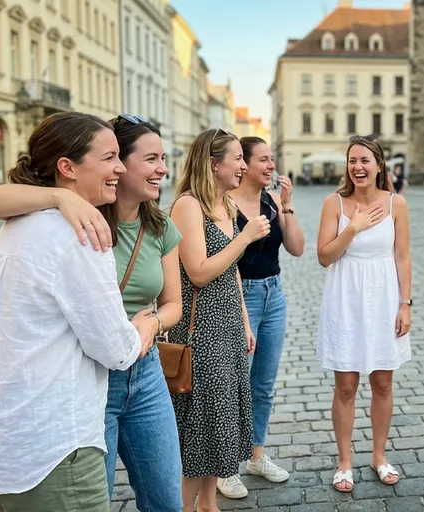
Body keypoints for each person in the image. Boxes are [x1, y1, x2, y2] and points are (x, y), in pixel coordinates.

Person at [0, 114, 185, 510]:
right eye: (112, 158)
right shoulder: (83, 227)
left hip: (136, 376)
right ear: (68, 168)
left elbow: (172, 303)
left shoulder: (34, 224)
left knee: (165, 499)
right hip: (81, 397)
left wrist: (152, 321)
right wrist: (60, 196)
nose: (120, 168)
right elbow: (117, 350)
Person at [169, 128, 270, 512]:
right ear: (213, 164)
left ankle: (208, 506)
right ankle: (182, 506)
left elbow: (233, 274)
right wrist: (243, 239)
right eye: (237, 158)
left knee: (218, 425)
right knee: (199, 429)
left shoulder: (224, 204)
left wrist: (244, 321)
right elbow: (198, 271)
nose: (243, 165)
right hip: (201, 331)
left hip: (227, 325)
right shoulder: (187, 206)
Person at [316, 135, 412, 493]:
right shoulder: (334, 203)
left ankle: (378, 455)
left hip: (384, 297)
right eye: (353, 160)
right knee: (346, 385)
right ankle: (344, 461)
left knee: (383, 382)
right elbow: (324, 256)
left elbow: (402, 256)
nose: (358, 167)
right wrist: (352, 228)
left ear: (379, 165)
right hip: (345, 297)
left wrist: (406, 303)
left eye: (365, 160)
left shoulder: (396, 204)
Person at [219, 136, 305, 499]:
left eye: (272, 160)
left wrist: (287, 206)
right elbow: (226, 261)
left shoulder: (270, 201)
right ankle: (224, 468)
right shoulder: (225, 204)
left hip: (274, 294)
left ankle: (256, 455)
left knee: (264, 384)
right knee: (234, 383)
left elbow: (298, 248)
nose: (271, 166)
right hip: (243, 296)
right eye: (263, 160)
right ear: (245, 165)